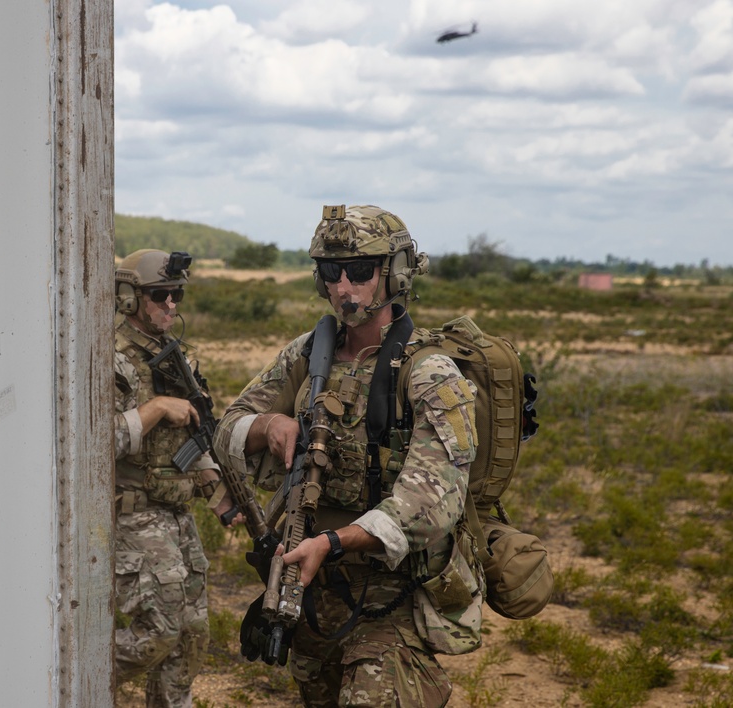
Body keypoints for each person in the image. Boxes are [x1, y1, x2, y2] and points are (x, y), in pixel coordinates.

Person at [213, 205, 484, 707]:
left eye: (360, 271)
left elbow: (431, 502)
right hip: (312, 587)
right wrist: (268, 425)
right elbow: (227, 426)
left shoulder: (430, 374)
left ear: (396, 273)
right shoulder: (307, 354)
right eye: (330, 272)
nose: (344, 286)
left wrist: (335, 543)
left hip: (392, 594)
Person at [113, 249, 236, 708]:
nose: (171, 305)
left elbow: (194, 439)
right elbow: (90, 446)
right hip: (132, 513)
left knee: (191, 635)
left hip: (176, 514)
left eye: (176, 294)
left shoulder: (172, 357)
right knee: (159, 632)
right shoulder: (110, 358)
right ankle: (67, 676)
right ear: (129, 298)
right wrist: (157, 408)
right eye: (159, 295)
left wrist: (219, 494)